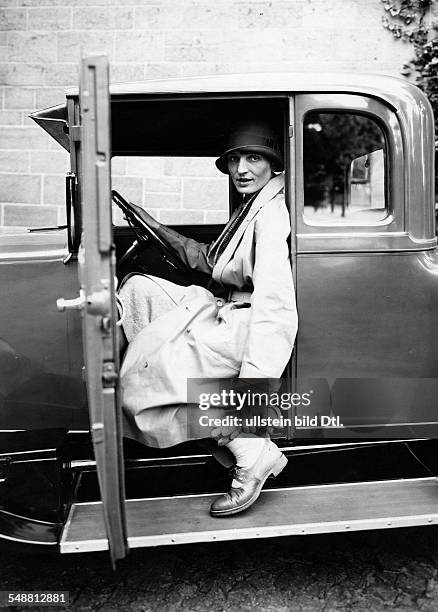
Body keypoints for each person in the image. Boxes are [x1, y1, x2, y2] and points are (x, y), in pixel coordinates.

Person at [118, 121, 298, 516]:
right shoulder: (256, 203)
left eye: (254, 158)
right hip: (227, 310)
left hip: (244, 326)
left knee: (141, 381)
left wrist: (255, 388)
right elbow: (215, 261)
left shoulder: (272, 215)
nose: (242, 169)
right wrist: (158, 229)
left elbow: (277, 305)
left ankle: (251, 452)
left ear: (274, 163)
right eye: (235, 159)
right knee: (136, 291)